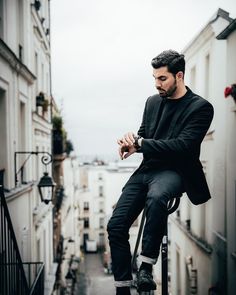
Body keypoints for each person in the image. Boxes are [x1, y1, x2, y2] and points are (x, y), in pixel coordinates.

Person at [107, 50, 214, 295]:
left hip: (177, 170)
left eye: (162, 79)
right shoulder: (152, 102)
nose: (157, 84)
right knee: (116, 225)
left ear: (179, 76)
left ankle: (146, 267)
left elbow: (183, 147)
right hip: (147, 169)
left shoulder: (201, 108)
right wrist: (132, 144)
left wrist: (142, 144)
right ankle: (122, 287)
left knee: (156, 198)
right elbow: (144, 133)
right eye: (154, 78)